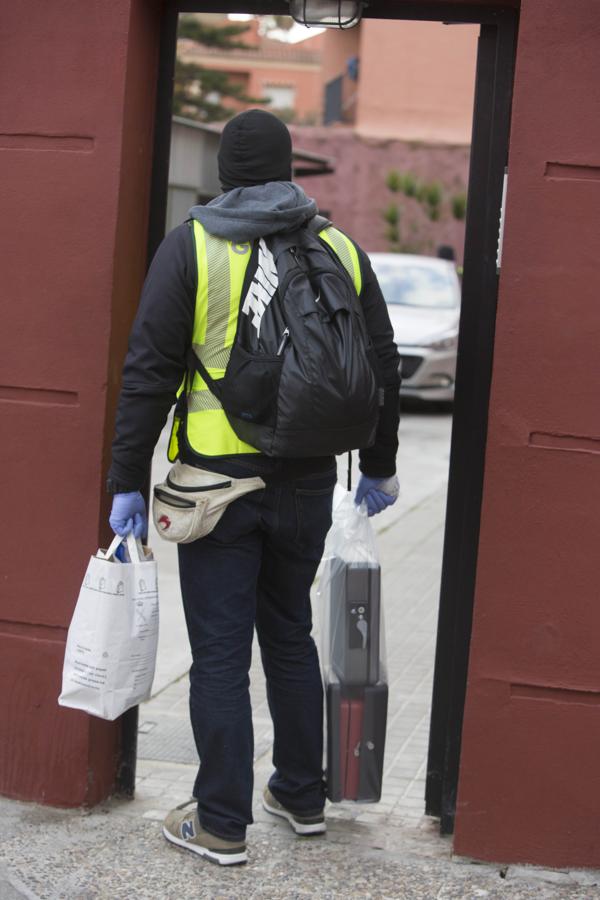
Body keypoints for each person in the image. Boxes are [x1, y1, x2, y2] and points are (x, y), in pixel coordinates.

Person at [107, 109, 400, 866]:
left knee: (219, 655)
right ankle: (301, 796)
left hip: (215, 488)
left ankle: (220, 823)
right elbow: (382, 364)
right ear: (288, 168)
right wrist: (379, 464)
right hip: (307, 482)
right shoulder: (338, 245)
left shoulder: (193, 245)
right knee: (290, 635)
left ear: (224, 174)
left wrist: (126, 480)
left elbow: (148, 372)